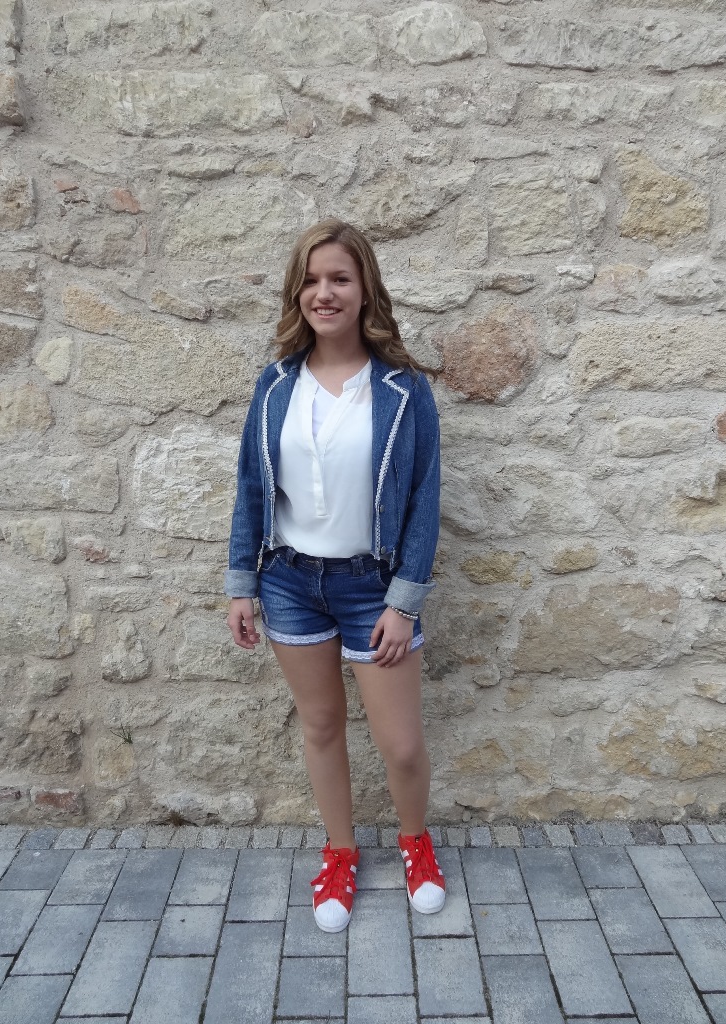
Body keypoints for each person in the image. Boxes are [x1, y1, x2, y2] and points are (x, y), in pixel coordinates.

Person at [225, 218, 444, 933]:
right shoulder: (276, 384)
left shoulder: (403, 390)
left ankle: (415, 843)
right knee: (321, 727)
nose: (325, 293)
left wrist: (404, 603)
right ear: (298, 293)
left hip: (373, 589)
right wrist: (241, 583)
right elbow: (251, 488)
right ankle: (341, 853)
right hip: (290, 583)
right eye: (312, 280)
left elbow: (424, 499)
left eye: (340, 279)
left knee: (400, 743)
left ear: (364, 289)